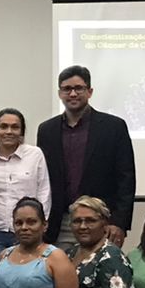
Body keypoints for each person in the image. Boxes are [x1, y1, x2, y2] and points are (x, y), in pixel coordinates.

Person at [37, 66, 137, 247]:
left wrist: (119, 222)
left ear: (89, 92)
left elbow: (126, 178)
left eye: (79, 88)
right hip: (60, 222)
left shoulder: (113, 127)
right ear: (60, 93)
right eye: (67, 89)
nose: (73, 94)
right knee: (62, 273)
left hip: (101, 221)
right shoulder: (46, 130)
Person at [0, 108, 51, 263]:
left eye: (15, 127)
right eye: (3, 127)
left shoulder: (35, 155)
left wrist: (40, 224)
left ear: (21, 132)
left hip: (28, 231)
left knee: (27, 276)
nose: (9, 131)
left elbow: (44, 191)